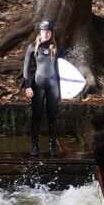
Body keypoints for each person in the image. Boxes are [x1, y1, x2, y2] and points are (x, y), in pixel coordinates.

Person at [23, 20, 62, 157]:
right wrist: (27, 86)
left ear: (52, 33)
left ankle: (52, 145)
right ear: (40, 32)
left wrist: (62, 90)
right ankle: (34, 145)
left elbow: (60, 69)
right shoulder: (33, 47)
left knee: (52, 115)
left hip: (53, 85)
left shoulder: (56, 48)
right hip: (37, 84)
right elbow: (26, 69)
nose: (47, 34)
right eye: (44, 31)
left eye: (49, 32)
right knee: (37, 115)